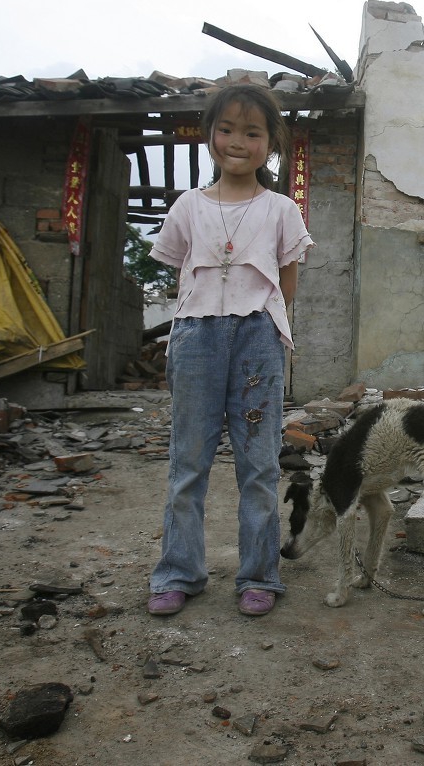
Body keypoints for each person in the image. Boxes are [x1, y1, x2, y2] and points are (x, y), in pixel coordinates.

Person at [146, 83, 313, 617]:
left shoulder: (282, 209)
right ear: (208, 135)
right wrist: (206, 318)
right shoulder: (188, 206)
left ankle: (258, 576)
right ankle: (178, 572)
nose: (237, 141)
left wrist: (263, 326)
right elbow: (180, 273)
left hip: (257, 339)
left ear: (271, 144)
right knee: (188, 461)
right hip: (196, 337)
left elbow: (288, 280)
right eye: (226, 129)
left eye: (252, 132)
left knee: (258, 463)